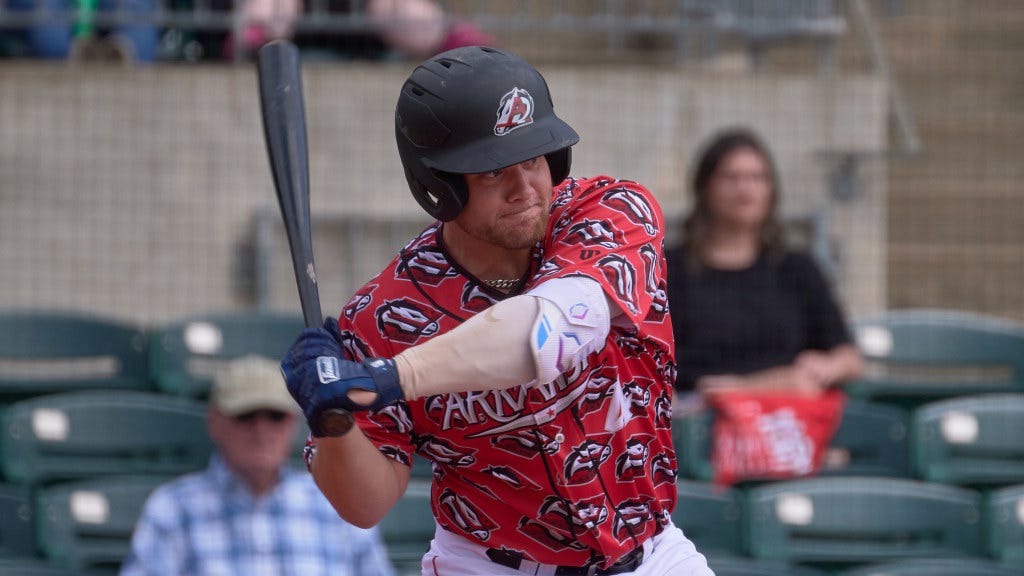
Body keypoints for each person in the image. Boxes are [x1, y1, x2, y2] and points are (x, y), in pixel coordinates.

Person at [280, 46, 714, 575]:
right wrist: (332, 418)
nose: (524, 188)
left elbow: (552, 332)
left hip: (651, 552)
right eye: (491, 173)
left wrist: (387, 377)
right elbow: (364, 506)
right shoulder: (384, 314)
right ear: (437, 185)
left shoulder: (610, 213)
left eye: (533, 159)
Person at [120, 355, 395, 576]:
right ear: (215, 421)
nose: (261, 430)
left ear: (292, 422)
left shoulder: (337, 502)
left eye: (274, 416)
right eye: (245, 416)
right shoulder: (172, 508)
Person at [665, 127, 863, 404]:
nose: (745, 188)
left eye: (757, 178)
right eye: (731, 177)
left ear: (771, 190)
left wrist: (826, 367)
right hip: (697, 418)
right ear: (705, 187)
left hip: (783, 418)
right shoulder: (669, 269)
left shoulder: (797, 268)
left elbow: (849, 358)